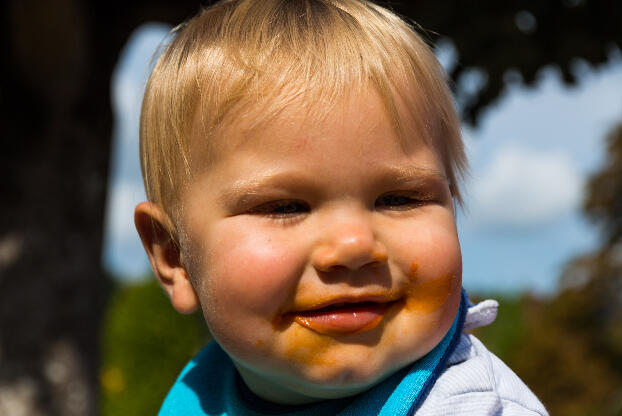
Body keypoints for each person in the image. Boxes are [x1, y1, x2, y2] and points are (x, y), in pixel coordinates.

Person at [134, 0, 548, 414]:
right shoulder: (199, 397)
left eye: (399, 199)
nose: (354, 245)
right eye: (285, 207)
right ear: (175, 255)